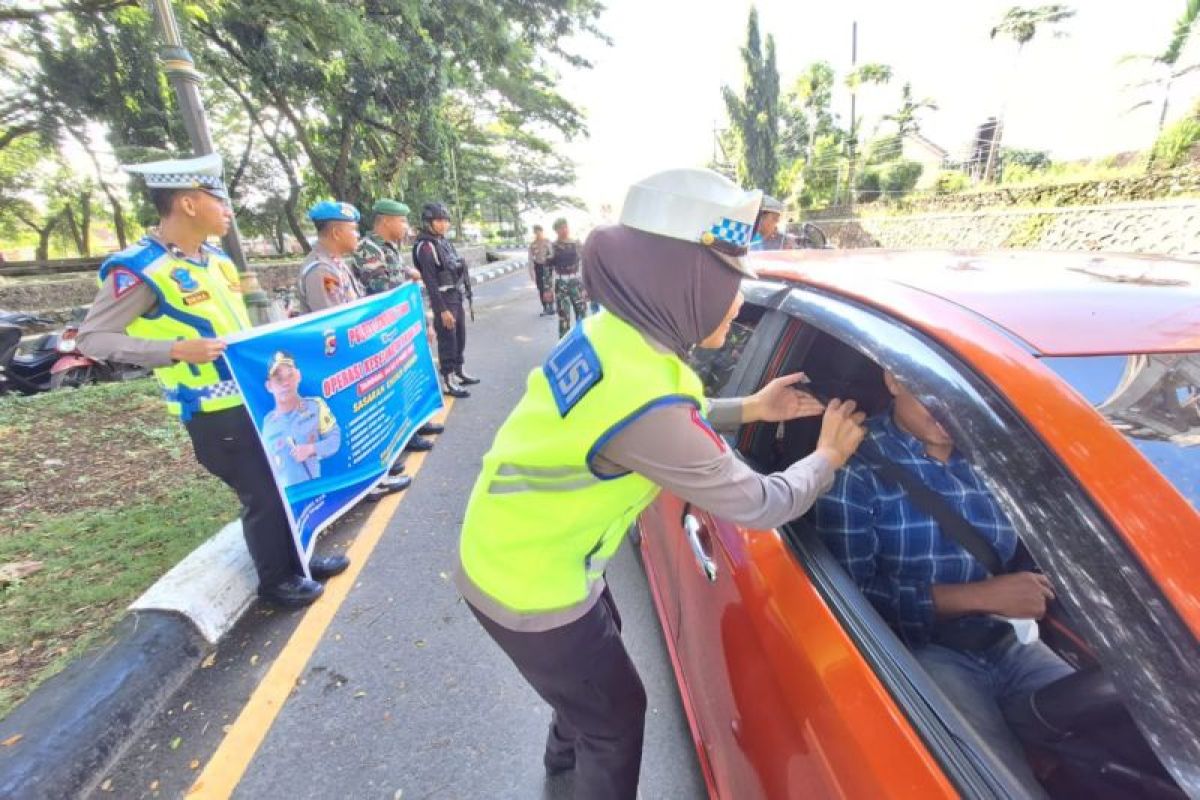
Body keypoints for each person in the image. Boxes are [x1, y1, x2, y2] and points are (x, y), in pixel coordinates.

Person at [455, 168, 868, 800]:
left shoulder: (611, 334)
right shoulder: (646, 392)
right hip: (534, 586)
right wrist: (828, 457)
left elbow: (638, 427)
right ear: (686, 280)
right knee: (617, 719)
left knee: (586, 683)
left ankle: (560, 762)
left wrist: (748, 409)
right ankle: (574, 762)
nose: (737, 301)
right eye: (730, 283)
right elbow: (760, 503)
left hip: (513, 547)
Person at [76, 153, 347, 608]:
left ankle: (299, 560)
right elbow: (93, 338)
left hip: (255, 399)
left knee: (282, 481)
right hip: (211, 410)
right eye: (217, 199)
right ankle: (276, 582)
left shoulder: (216, 260)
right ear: (186, 203)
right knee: (260, 493)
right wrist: (173, 349)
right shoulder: (140, 270)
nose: (228, 210)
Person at [813, 371, 1073, 797]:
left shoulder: (997, 461)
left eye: (959, 395)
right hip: (919, 651)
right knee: (994, 786)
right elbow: (849, 601)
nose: (948, 408)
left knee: (1118, 736)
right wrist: (981, 596)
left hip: (1009, 640)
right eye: (932, 391)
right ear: (894, 381)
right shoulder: (854, 464)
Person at [295, 200, 413, 496]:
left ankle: (376, 469)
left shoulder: (335, 265)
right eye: (352, 229)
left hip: (356, 360)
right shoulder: (320, 271)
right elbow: (335, 327)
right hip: (343, 365)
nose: (357, 236)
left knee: (366, 419)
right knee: (353, 426)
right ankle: (369, 482)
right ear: (335, 232)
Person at [350, 198, 443, 450]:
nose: (405, 226)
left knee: (412, 377)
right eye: (401, 220)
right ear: (386, 221)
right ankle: (405, 435)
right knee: (396, 384)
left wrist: (424, 321)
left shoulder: (389, 249)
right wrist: (407, 277)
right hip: (384, 332)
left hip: (402, 327)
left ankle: (417, 421)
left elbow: (405, 285)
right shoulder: (369, 249)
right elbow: (381, 289)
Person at [412, 202, 478, 398]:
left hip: (455, 296)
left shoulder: (443, 242)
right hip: (443, 298)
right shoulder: (425, 247)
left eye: (445, 221)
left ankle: (459, 370)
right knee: (448, 339)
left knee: (460, 335)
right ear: (428, 223)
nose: (443, 225)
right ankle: (448, 379)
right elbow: (430, 281)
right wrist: (442, 310)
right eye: (438, 221)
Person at [261, 351, 341, 488]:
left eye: (290, 375)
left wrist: (311, 449)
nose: (286, 383)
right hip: (288, 497)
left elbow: (335, 440)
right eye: (279, 379)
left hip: (314, 492)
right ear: (269, 386)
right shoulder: (267, 423)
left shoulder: (315, 406)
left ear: (298, 375)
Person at [548, 217, 586, 338]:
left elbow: (585, 263)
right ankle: (563, 344)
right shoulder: (552, 247)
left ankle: (583, 341)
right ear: (556, 231)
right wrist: (547, 288)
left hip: (576, 282)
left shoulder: (576, 243)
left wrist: (587, 286)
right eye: (561, 228)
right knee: (564, 317)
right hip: (561, 283)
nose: (564, 230)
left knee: (582, 315)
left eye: (565, 227)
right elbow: (547, 268)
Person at [527, 224, 555, 316]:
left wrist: (548, 259)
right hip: (538, 267)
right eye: (535, 232)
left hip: (547, 267)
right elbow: (530, 259)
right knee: (541, 288)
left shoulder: (547, 242)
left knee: (548, 287)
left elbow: (552, 254)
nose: (537, 233)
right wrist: (531, 272)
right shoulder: (533, 244)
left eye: (538, 231)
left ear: (542, 231)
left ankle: (551, 307)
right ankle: (545, 307)